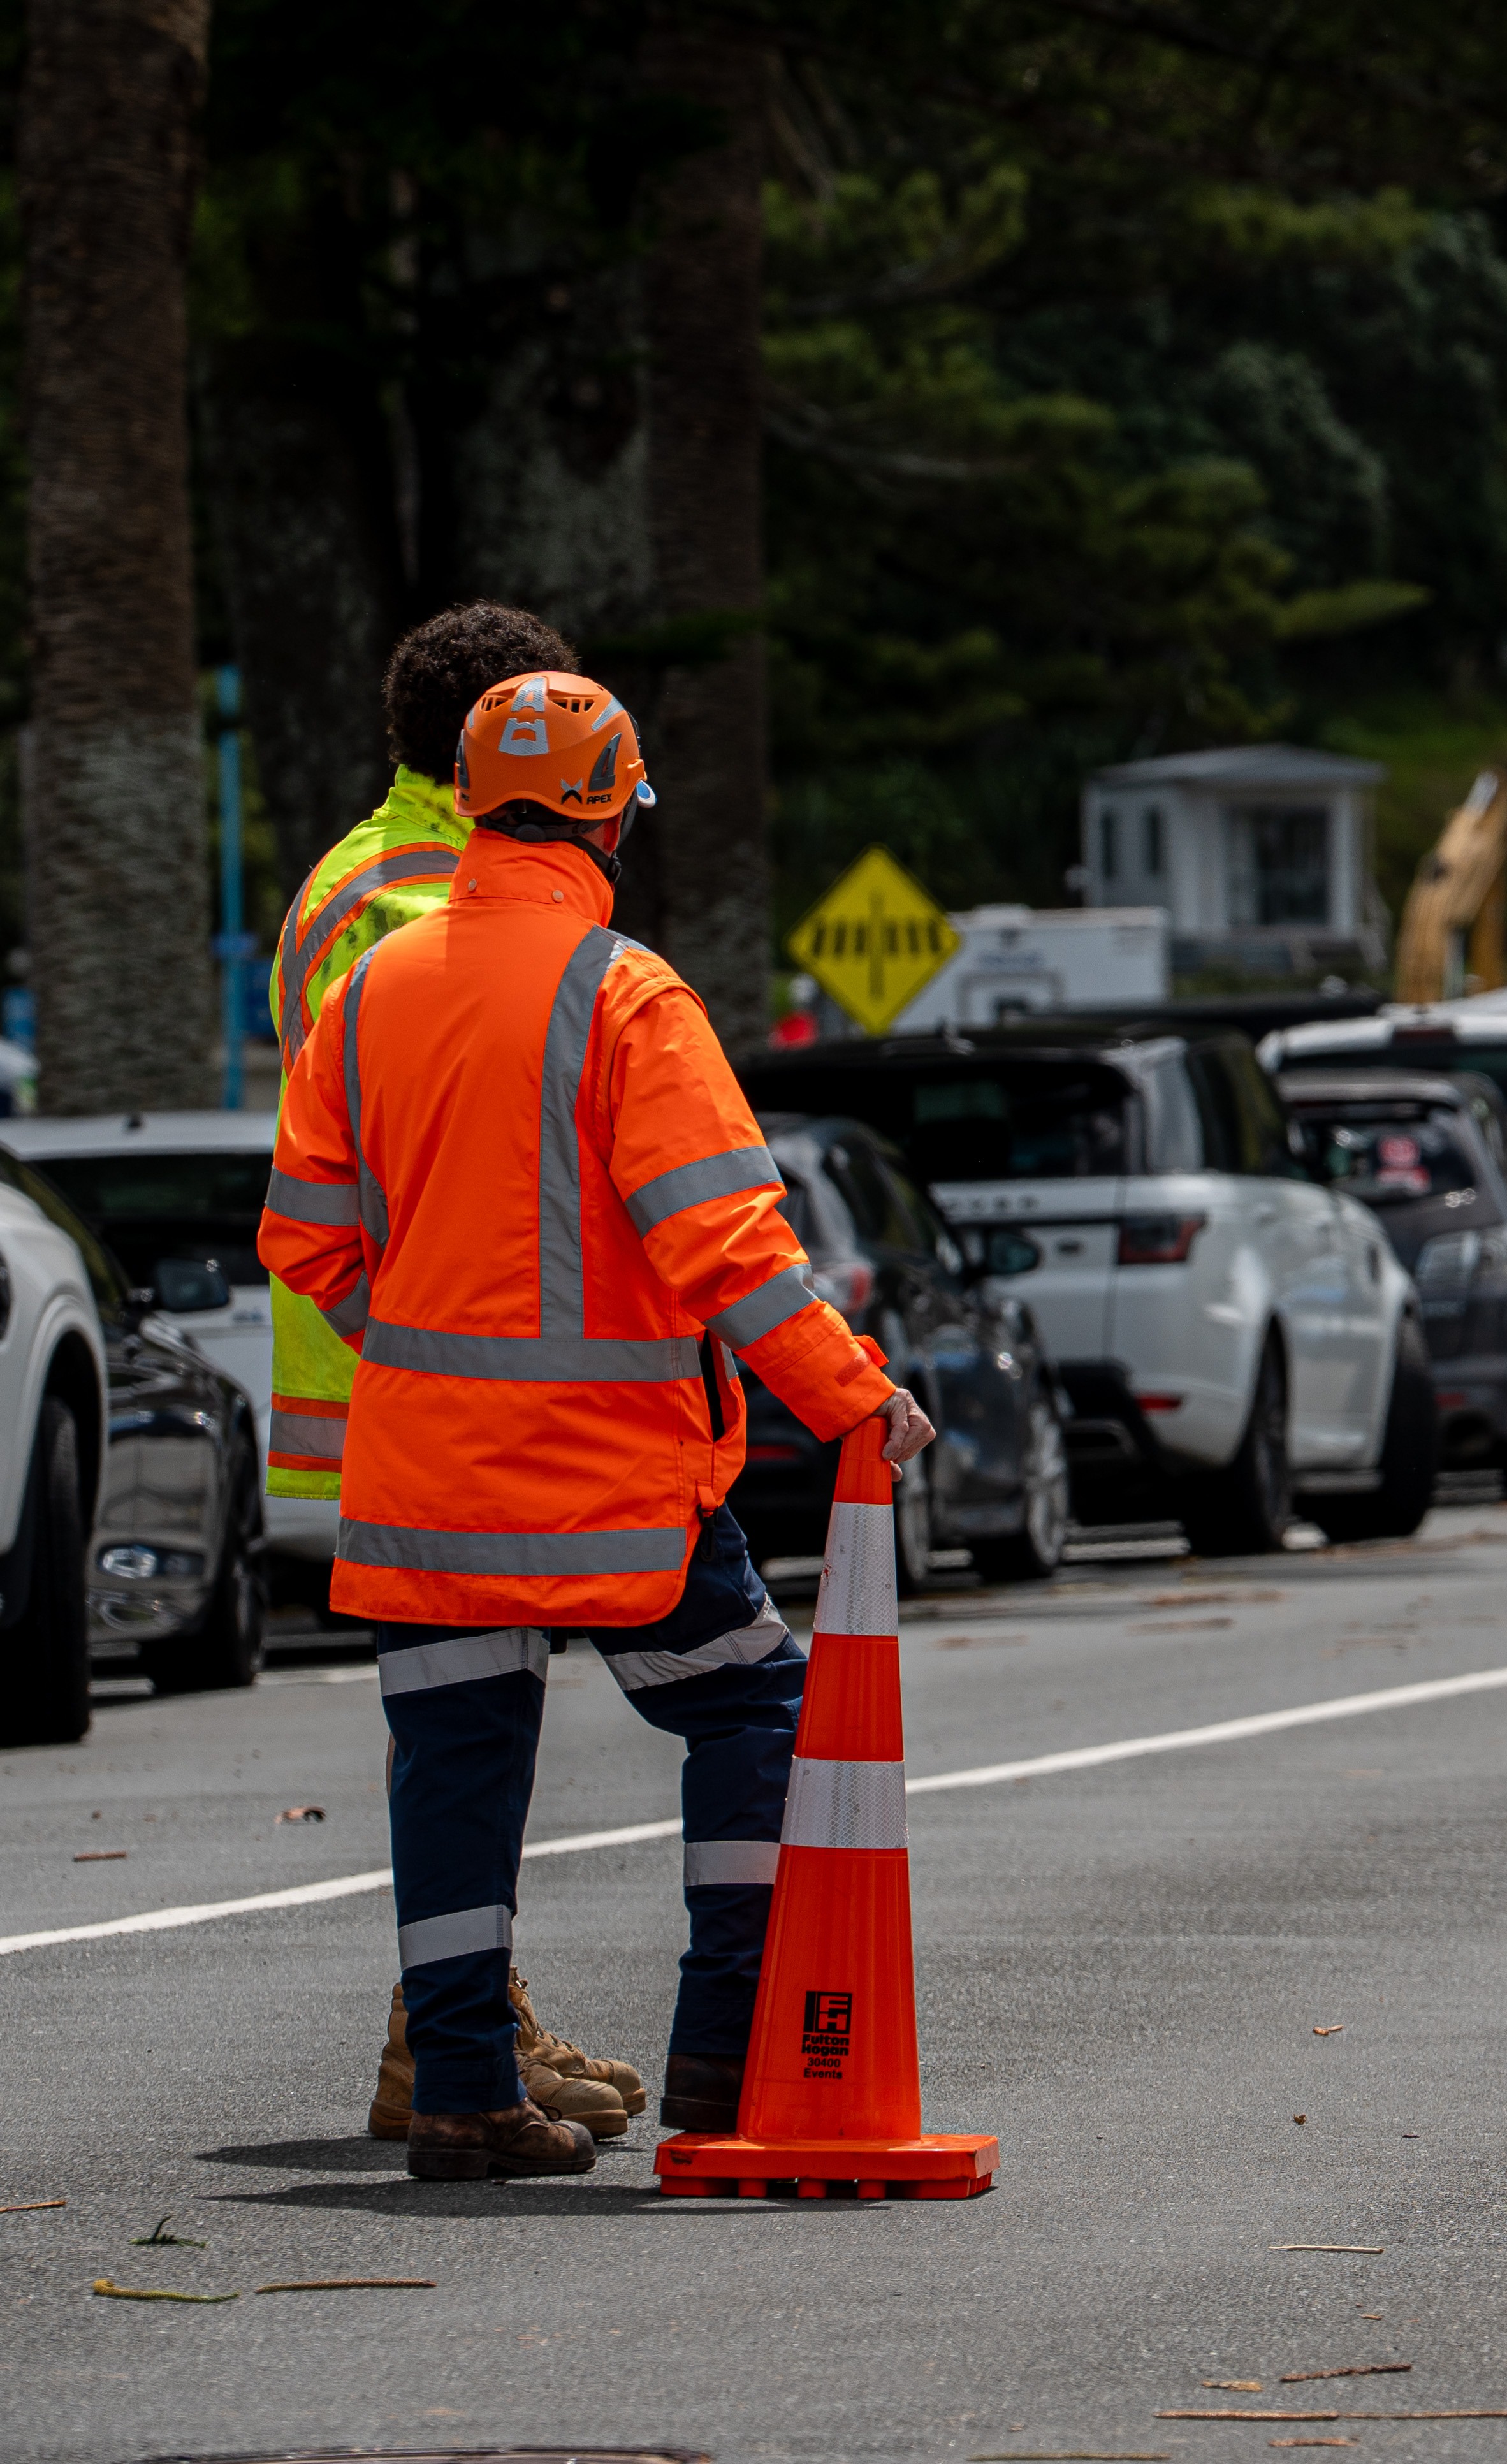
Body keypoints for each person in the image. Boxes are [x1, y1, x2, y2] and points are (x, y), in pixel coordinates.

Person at [259, 671, 931, 2182]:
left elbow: (304, 1238)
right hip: (606, 1494)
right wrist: (853, 1399)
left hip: (425, 1487)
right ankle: (723, 2042)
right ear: (610, 810)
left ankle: (459, 2092)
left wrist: (428, 1358)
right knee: (752, 1707)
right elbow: (731, 1249)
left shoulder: (373, 990)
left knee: (455, 1766)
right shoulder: (625, 995)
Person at [266, 606, 654, 2148]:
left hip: (405, 1365)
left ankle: (466, 2021)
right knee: (463, 1722)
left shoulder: (372, 877)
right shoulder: (413, 898)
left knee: (467, 1717)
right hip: (429, 1376)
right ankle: (446, 2040)